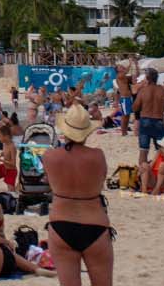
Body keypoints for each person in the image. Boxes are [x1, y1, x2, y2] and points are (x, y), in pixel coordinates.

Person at [43, 104, 112, 286]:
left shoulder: (50, 157)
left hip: (61, 223)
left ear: (64, 131)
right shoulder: (97, 156)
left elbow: (48, 183)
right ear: (87, 132)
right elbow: (101, 180)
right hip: (94, 222)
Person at [133, 67, 164, 169]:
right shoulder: (162, 91)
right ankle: (157, 173)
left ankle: (143, 175)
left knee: (143, 151)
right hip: (158, 121)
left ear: (147, 78)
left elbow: (135, 107)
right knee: (161, 152)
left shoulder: (143, 91)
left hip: (145, 120)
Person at [116, 58, 137, 138]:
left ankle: (125, 132)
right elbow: (126, 71)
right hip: (124, 98)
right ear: (117, 69)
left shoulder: (124, 76)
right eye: (120, 66)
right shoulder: (119, 75)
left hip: (128, 97)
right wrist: (131, 63)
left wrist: (136, 65)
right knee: (125, 115)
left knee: (127, 115)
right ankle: (123, 132)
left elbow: (135, 76)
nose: (121, 67)